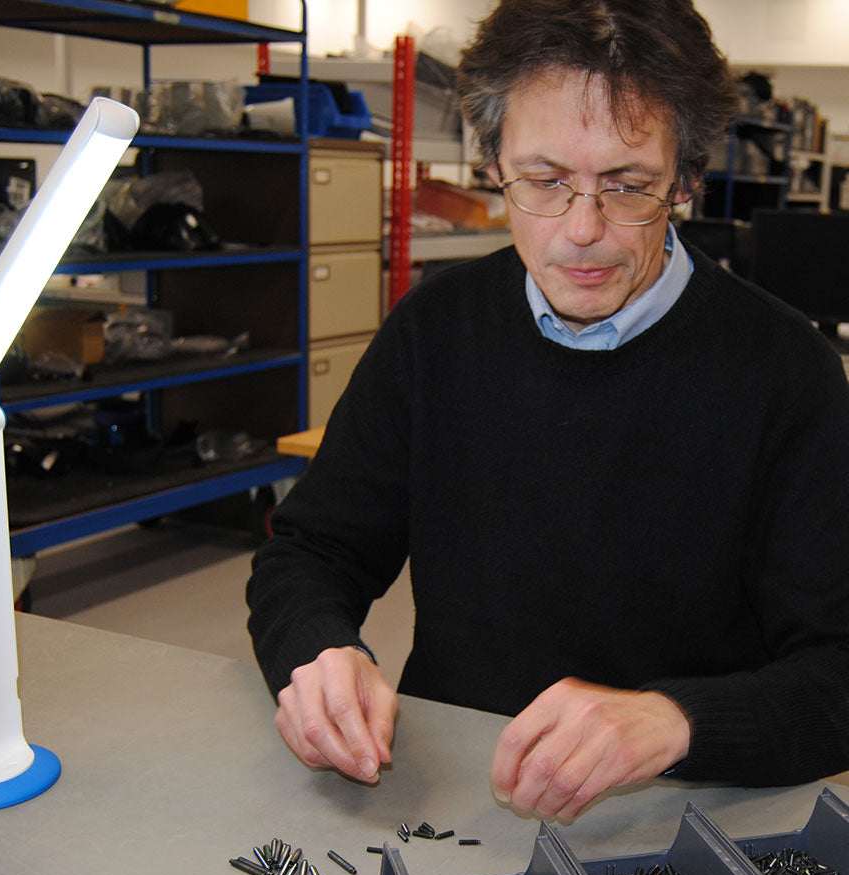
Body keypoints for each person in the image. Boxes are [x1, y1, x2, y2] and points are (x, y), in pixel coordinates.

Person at [246, 0, 849, 820]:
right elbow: (311, 551)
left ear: (685, 178)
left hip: (679, 812)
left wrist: (676, 721)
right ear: (492, 162)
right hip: (450, 795)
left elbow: (837, 673)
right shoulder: (436, 329)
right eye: (544, 181)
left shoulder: (787, 372)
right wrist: (317, 650)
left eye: (628, 185)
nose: (582, 230)